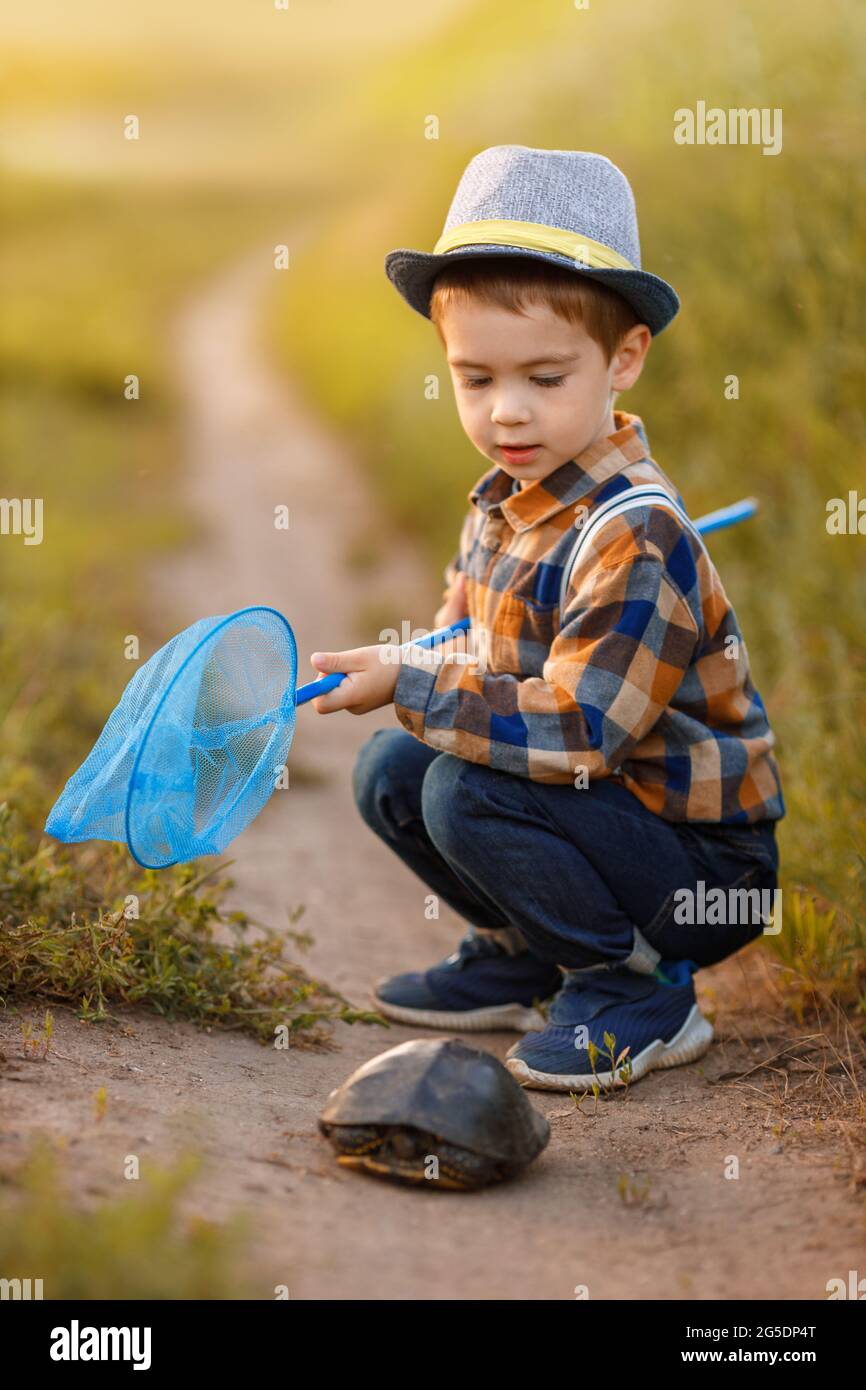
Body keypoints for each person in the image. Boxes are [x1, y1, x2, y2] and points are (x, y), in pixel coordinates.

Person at [308, 145, 784, 1091]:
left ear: (624, 360)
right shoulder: (506, 498)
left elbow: (574, 735)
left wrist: (411, 682)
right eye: (475, 380)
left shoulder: (634, 537)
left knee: (463, 788)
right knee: (394, 770)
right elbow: (469, 636)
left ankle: (637, 987)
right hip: (611, 823)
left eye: (545, 378)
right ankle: (530, 952)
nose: (507, 413)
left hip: (701, 873)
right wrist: (416, 651)